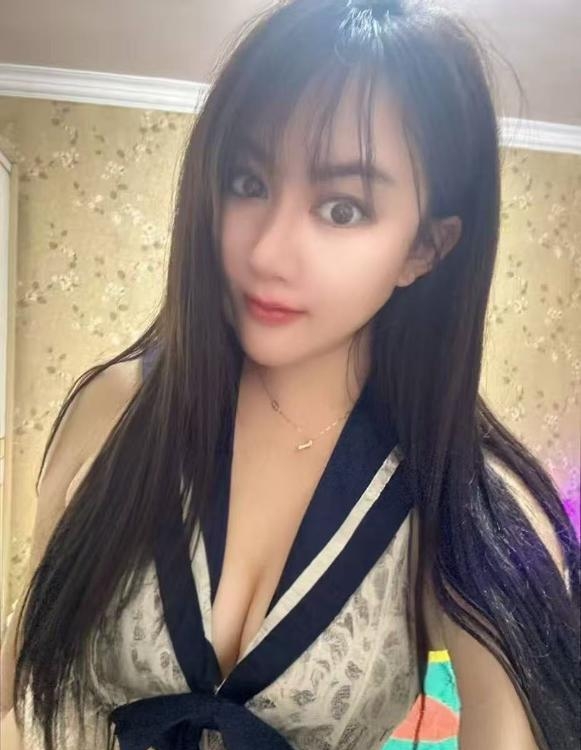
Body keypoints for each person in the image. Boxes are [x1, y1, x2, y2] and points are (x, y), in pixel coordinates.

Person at [1, 0, 579, 748]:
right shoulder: (114, 409)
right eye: (247, 182)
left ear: (424, 249)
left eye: (343, 209)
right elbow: (23, 653)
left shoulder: (459, 499)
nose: (267, 252)